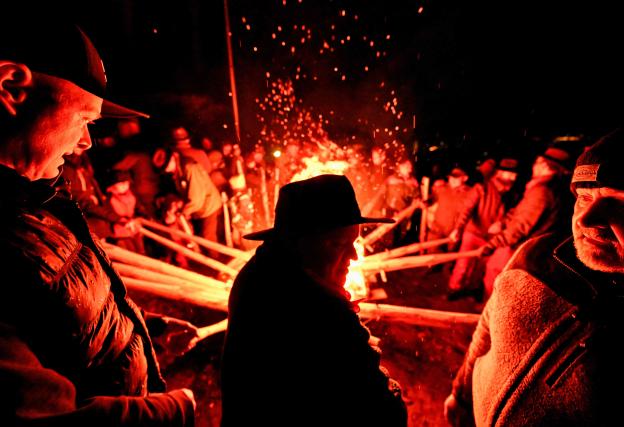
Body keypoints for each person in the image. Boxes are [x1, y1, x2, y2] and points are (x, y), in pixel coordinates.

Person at [0, 18, 195, 425]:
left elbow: (58, 312)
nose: (87, 141)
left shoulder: (34, 202)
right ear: (12, 88)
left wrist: (139, 332)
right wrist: (176, 410)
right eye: (85, 118)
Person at [444, 129, 624, 426]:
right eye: (584, 197)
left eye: (620, 202)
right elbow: (486, 329)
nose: (586, 219)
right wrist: (461, 395)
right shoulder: (537, 256)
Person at [221, 174, 408, 426]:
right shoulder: (317, 311)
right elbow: (374, 401)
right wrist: (392, 390)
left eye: (353, 242)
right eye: (337, 244)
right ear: (299, 244)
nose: (353, 255)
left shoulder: (261, 268)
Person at [478, 145, 575, 299]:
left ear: (544, 166)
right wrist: (503, 222)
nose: (533, 166)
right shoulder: (545, 187)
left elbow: (520, 227)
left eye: (537, 162)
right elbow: (521, 211)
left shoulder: (541, 191)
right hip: (527, 247)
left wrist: (492, 244)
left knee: (495, 276)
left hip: (518, 247)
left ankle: (489, 315)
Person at [447, 158, 520, 300]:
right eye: (510, 174)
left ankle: (469, 288)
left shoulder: (512, 194)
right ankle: (453, 289)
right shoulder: (482, 188)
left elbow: (513, 213)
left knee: (481, 267)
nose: (514, 177)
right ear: (500, 173)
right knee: (463, 264)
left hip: (491, 238)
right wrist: (458, 229)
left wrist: (502, 223)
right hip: (473, 232)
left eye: (515, 175)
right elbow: (466, 210)